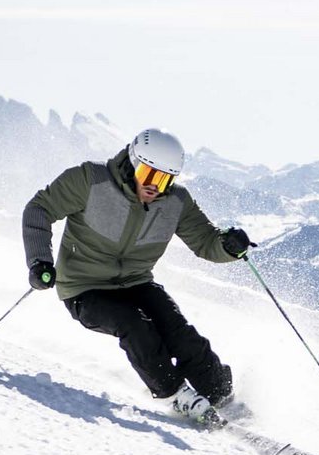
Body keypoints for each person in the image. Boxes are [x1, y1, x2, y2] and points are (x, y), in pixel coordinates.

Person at [21, 128, 253, 420]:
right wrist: (39, 261)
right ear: (132, 162)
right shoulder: (90, 180)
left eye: (164, 179)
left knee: (178, 331)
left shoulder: (176, 202)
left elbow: (206, 242)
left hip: (136, 282)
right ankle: (175, 394)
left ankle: (220, 394)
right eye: (149, 174)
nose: (155, 186)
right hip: (84, 287)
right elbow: (39, 208)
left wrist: (229, 246)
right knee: (134, 324)